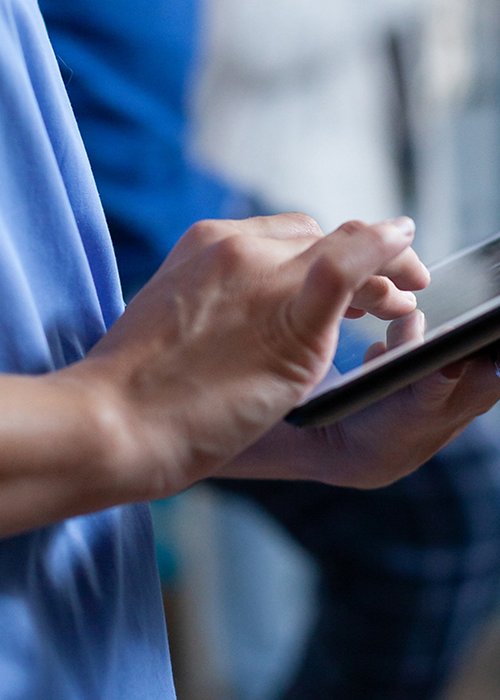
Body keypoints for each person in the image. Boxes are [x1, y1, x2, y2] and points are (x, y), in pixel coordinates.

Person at [37, 2, 500, 698]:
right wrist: (126, 415)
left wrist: (295, 448)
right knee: (439, 513)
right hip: (128, 270)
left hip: (175, 232)